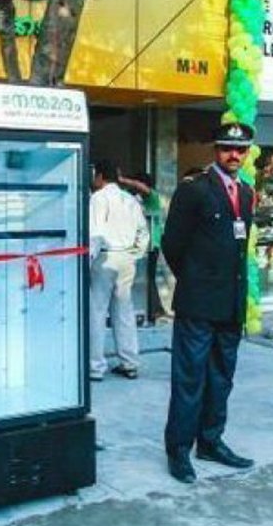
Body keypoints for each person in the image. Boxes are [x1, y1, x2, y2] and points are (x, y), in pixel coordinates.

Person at [160, 122, 258, 484]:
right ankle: (179, 450)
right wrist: (196, 281)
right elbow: (172, 244)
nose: (234, 155)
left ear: (247, 152)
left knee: (221, 379)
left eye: (241, 150)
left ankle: (211, 441)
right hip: (198, 305)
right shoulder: (195, 190)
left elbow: (239, 249)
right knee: (189, 380)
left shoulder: (246, 193)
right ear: (215, 150)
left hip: (230, 306)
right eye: (226, 149)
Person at [88, 159, 148, 381]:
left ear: (100, 177)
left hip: (105, 257)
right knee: (124, 311)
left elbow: (94, 234)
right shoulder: (130, 199)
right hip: (126, 257)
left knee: (96, 311)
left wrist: (87, 262)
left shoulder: (97, 198)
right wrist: (135, 253)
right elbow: (143, 232)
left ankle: (95, 367)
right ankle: (130, 362)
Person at [118, 170, 167, 323]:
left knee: (147, 278)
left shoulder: (152, 197)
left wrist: (123, 179)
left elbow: (142, 188)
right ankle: (152, 309)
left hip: (151, 245)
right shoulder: (134, 200)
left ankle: (154, 310)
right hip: (137, 245)